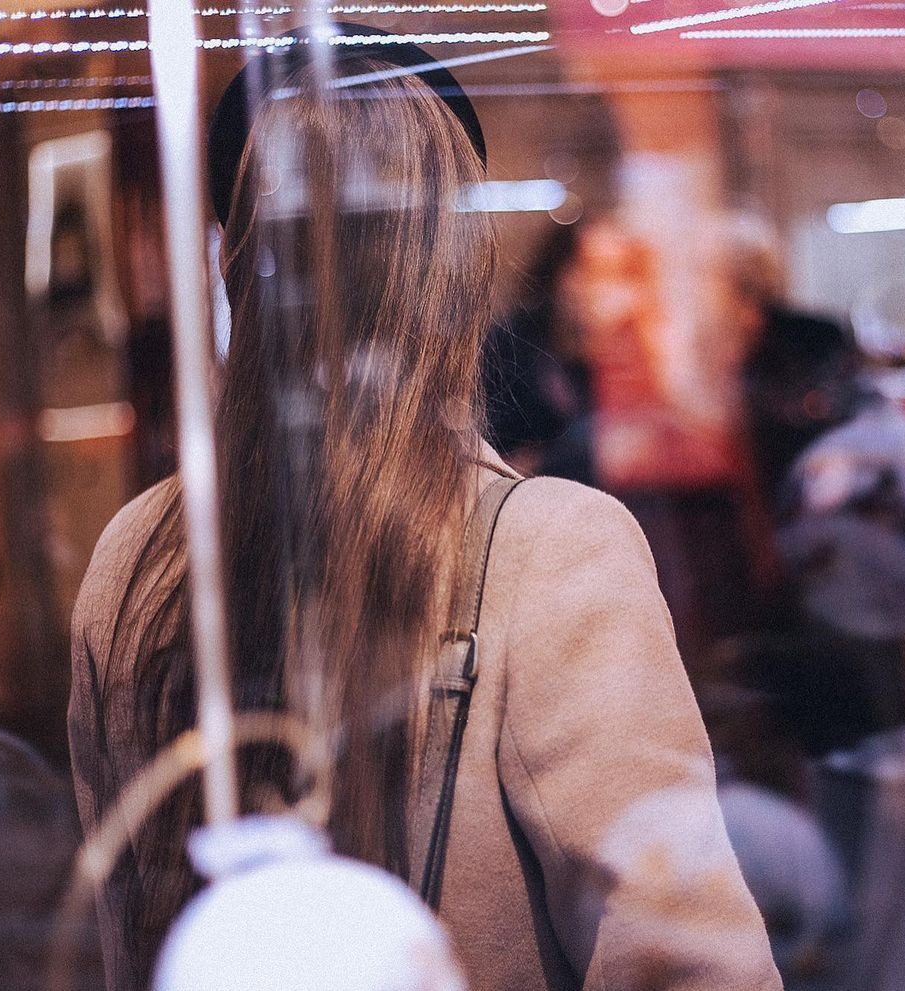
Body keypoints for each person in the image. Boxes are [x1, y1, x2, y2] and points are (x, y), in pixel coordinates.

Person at [67, 28, 780, 991]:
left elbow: (126, 936)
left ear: (230, 257)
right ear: (455, 274)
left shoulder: (139, 554)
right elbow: (691, 961)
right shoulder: (550, 546)